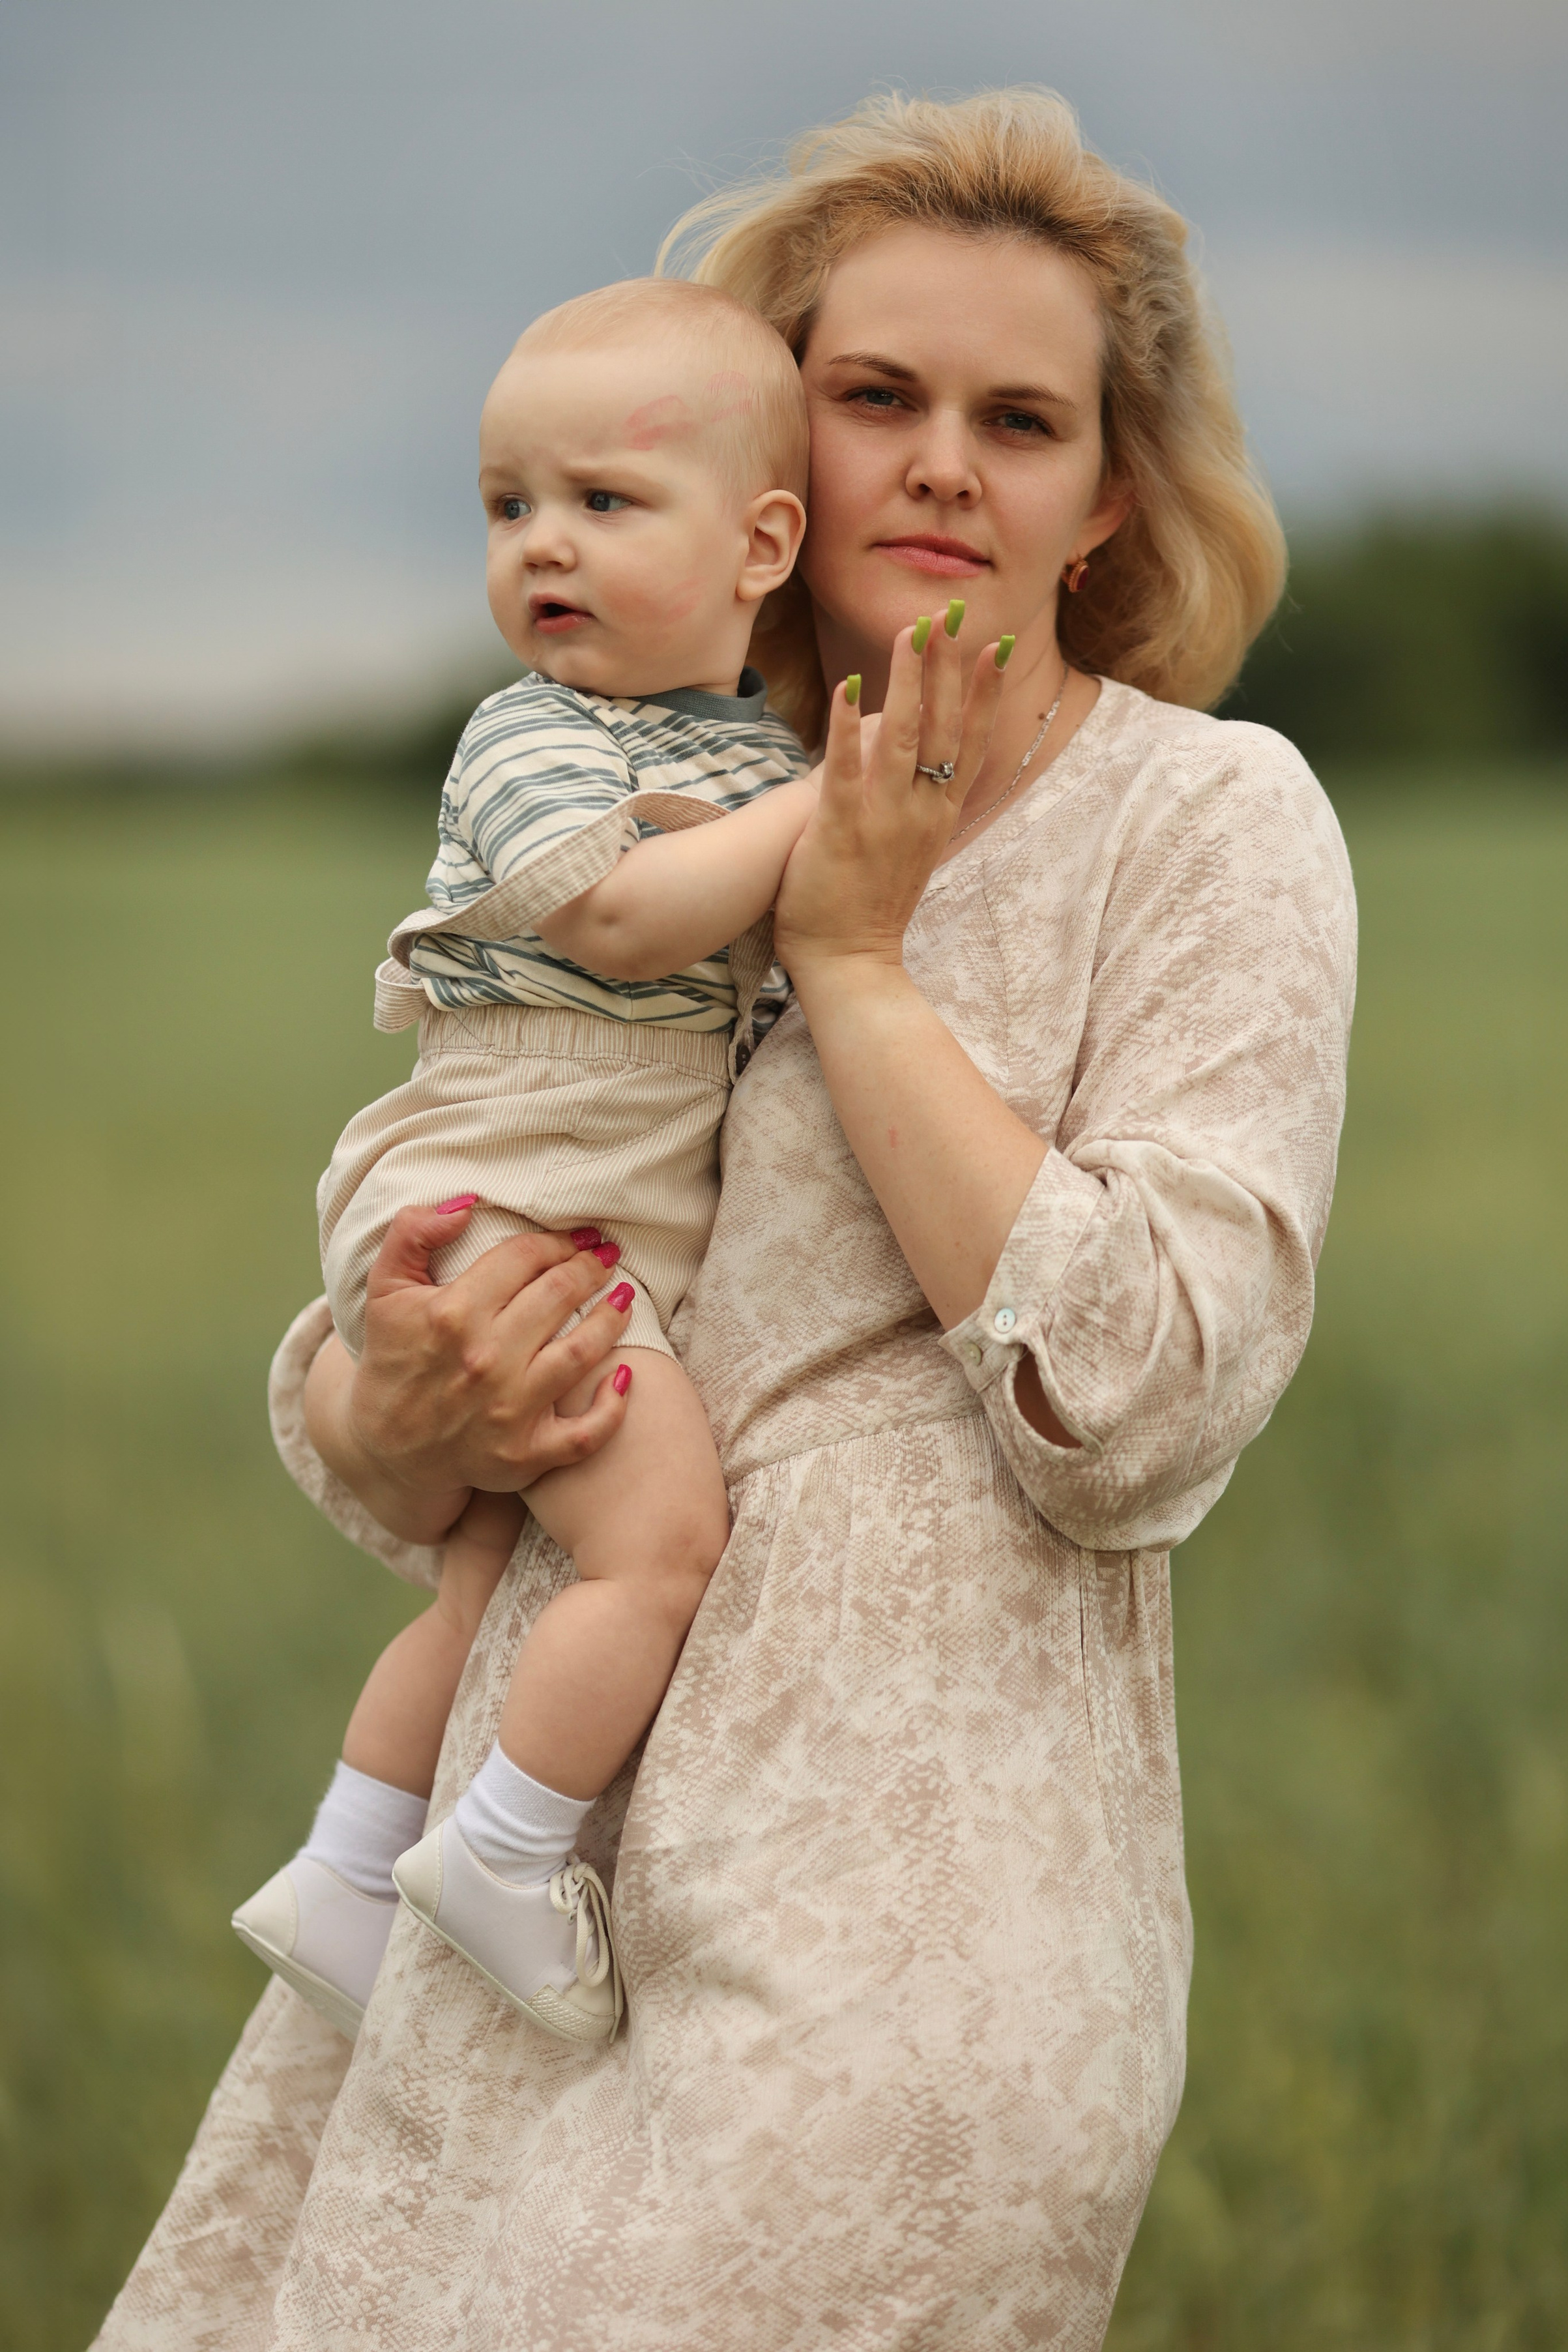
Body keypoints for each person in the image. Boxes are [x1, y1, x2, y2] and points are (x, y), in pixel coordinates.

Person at [98, 87, 1355, 2351]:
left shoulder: (1208, 817)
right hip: (512, 1893)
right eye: (879, 397)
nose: (944, 466)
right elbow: (426, 1328)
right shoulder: (650, 772)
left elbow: (1147, 1397)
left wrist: (854, 963)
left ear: (1106, 497)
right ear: (776, 459)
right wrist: (402, 1399)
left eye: (1021, 420)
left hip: (908, 1918)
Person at [231, 274, 936, 2049]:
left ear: (761, 543)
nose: (543, 543)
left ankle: (343, 1870)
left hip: (582, 1191)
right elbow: (619, 919)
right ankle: (505, 1854)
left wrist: (800, 795)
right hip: (506, 1187)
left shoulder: (745, 748)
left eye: (603, 502)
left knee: (494, 1588)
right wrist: (832, 802)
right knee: (661, 1545)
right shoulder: (532, 732)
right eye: (509, 505)